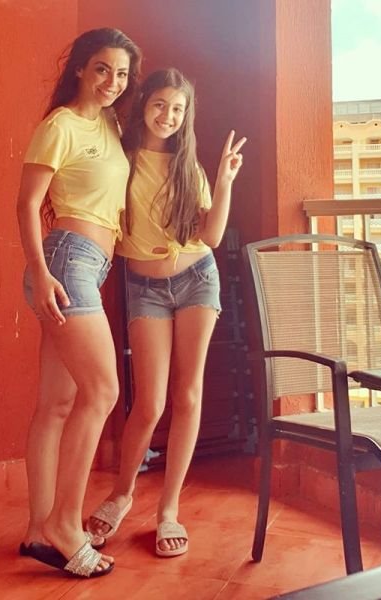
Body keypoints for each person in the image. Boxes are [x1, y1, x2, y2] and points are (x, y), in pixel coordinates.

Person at [87, 68, 246, 557]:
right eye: (160, 104)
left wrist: (224, 179)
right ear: (144, 105)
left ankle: (169, 510)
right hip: (146, 288)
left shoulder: (188, 167)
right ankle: (121, 495)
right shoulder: (123, 157)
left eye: (178, 109)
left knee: (188, 395)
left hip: (197, 277)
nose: (168, 116)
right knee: (149, 403)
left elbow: (211, 237)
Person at [16, 28, 141, 577]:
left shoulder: (110, 124)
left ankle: (36, 531)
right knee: (103, 390)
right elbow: (28, 204)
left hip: (89, 264)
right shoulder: (61, 125)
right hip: (66, 264)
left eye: (122, 73)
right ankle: (66, 524)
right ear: (80, 71)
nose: (113, 82)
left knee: (57, 405)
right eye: (102, 69)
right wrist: (41, 275)